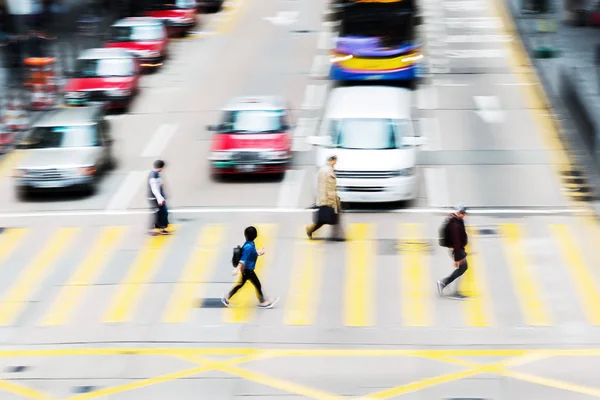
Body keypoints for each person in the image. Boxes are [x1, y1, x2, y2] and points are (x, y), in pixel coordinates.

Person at [222, 226, 277, 308]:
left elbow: (252, 253)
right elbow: (243, 259)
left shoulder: (250, 243)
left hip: (248, 270)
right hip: (248, 270)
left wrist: (259, 253)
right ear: (255, 235)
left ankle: (227, 297)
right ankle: (262, 302)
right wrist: (236, 269)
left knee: (243, 285)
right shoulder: (248, 246)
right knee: (257, 285)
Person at [306, 154, 344, 241]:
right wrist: (323, 201)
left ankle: (337, 235)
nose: (335, 163)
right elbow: (322, 187)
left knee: (335, 218)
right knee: (324, 220)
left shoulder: (330, 170)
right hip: (327, 199)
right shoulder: (324, 171)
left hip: (333, 198)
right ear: (332, 160)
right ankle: (310, 230)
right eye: (335, 161)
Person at [437, 205, 469, 299]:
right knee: (462, 268)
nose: (463, 215)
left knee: (463, 268)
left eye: (464, 213)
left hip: (459, 249)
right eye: (462, 213)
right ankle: (452, 290)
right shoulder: (454, 225)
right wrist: (457, 258)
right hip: (456, 250)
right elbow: (456, 242)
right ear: (458, 212)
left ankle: (444, 283)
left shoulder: (457, 220)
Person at [148, 159, 169, 236]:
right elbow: (154, 189)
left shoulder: (157, 174)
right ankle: (150, 229)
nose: (163, 169)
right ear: (160, 167)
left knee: (164, 212)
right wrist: (160, 199)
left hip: (160, 197)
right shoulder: (153, 176)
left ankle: (162, 228)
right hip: (154, 198)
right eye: (162, 168)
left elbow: (160, 186)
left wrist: (163, 197)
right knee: (156, 213)